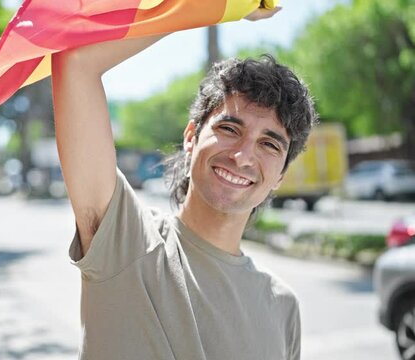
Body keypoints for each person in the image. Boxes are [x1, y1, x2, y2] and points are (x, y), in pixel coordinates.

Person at [51, 5, 316, 360]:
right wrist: (216, 6)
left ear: (280, 175)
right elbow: (76, 62)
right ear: (191, 137)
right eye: (229, 129)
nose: (242, 156)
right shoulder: (125, 240)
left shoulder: (283, 306)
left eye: (269, 144)